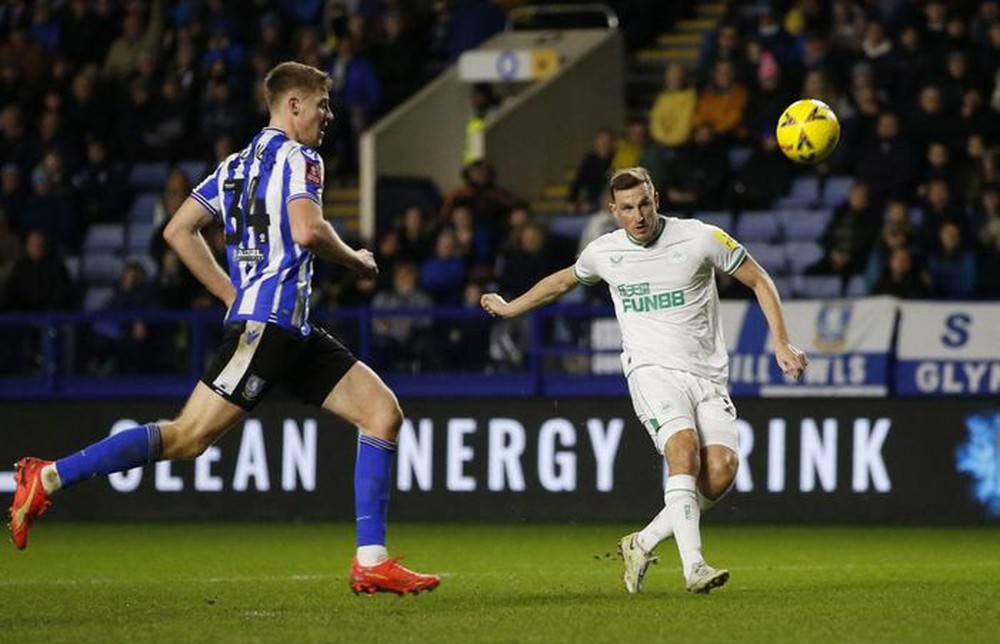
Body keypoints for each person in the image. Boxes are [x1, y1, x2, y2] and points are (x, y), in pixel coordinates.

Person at [7, 61, 439, 596]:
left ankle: (371, 561)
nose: (329, 116)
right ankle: (47, 475)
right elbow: (306, 230)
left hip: (290, 328)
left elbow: (179, 229)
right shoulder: (304, 158)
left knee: (381, 412)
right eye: (322, 105)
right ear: (294, 105)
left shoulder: (235, 165)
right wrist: (357, 261)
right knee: (188, 437)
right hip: (270, 326)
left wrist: (232, 295)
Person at [480, 167, 808, 594]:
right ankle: (695, 567)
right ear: (614, 210)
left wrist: (781, 343)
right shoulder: (605, 252)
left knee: (722, 472)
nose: (639, 216)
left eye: (645, 204)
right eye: (629, 208)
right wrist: (510, 307)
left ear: (657, 199)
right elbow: (561, 282)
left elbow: (759, 279)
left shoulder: (700, 238)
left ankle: (642, 541)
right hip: (650, 371)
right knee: (683, 452)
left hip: (707, 375)